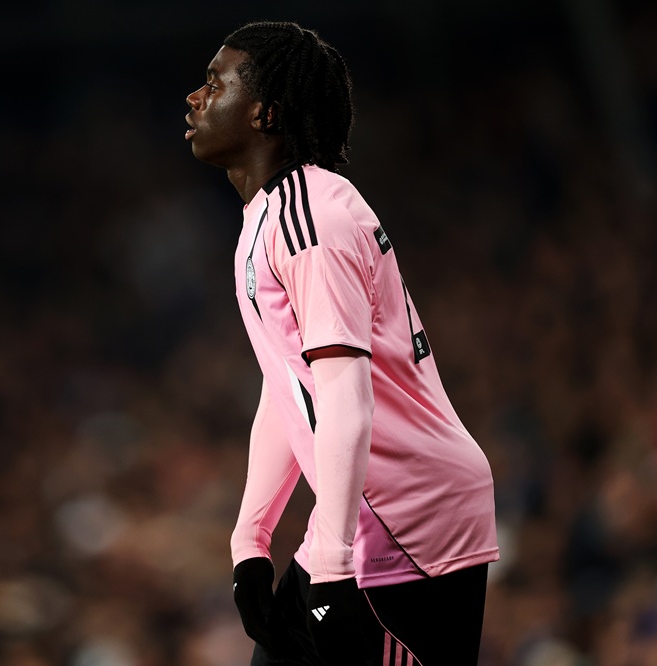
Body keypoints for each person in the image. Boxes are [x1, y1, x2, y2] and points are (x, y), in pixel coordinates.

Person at [184, 21, 499, 666]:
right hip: (361, 524)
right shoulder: (268, 218)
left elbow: (344, 395)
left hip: (411, 523)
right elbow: (288, 388)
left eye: (215, 84)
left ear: (265, 112)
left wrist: (330, 566)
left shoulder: (311, 219)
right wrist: (252, 540)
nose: (194, 98)